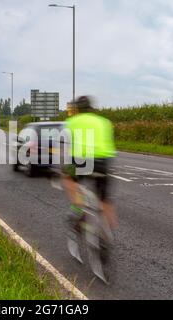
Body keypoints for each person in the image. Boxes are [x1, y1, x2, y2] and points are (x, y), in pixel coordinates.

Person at [62, 96, 118, 241]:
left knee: (67, 179)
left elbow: (66, 143)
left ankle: (78, 208)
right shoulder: (104, 122)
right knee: (105, 200)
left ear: (78, 109)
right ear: (91, 108)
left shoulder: (72, 121)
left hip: (81, 160)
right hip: (103, 162)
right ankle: (108, 235)